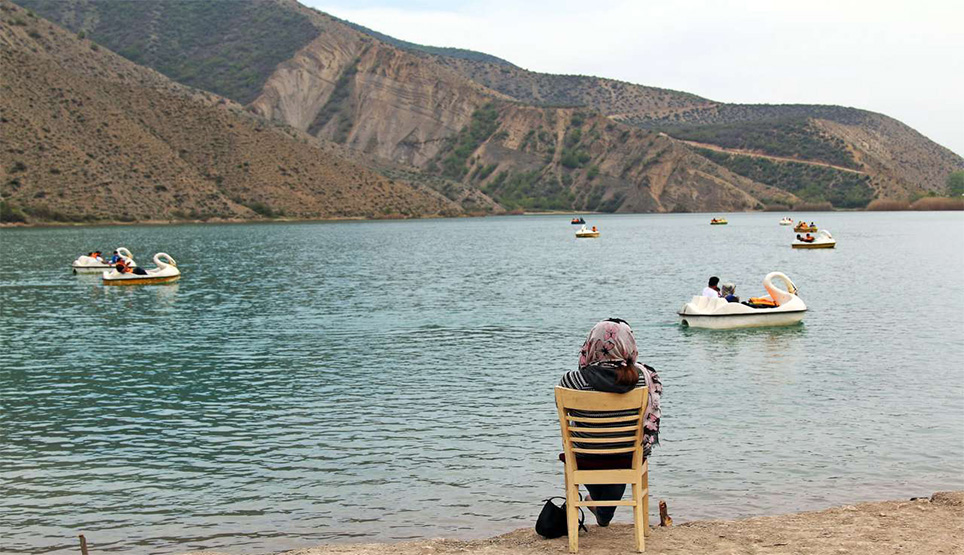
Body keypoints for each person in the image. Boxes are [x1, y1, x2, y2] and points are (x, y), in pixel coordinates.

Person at [558, 319, 662, 527]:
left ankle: (601, 511)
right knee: (617, 451)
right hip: (627, 457)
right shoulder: (643, 379)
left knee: (589, 447)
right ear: (628, 345)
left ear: (591, 344)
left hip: (586, 459)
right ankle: (603, 512)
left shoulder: (570, 381)